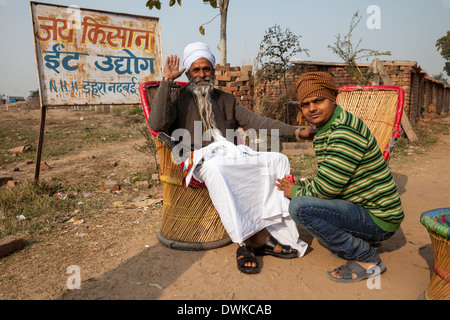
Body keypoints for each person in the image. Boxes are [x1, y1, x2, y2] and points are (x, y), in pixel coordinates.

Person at [148, 42, 315, 274]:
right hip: (199, 159)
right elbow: (156, 125)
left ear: (213, 71)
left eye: (206, 69)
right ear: (187, 73)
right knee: (217, 168)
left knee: (277, 160)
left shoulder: (226, 100)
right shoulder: (177, 97)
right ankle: (246, 241)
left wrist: (296, 132)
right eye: (195, 70)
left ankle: (269, 227)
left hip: (229, 154)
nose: (202, 74)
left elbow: (257, 122)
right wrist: (167, 81)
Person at [276, 72, 404, 283]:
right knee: (304, 194)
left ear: (332, 99)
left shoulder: (343, 131)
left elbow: (327, 188)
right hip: (366, 208)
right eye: (305, 104)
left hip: (379, 218)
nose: (312, 108)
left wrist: (297, 190)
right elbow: (330, 175)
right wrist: (303, 185)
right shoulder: (328, 126)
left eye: (318, 100)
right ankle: (364, 240)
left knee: (300, 206)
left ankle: (366, 257)